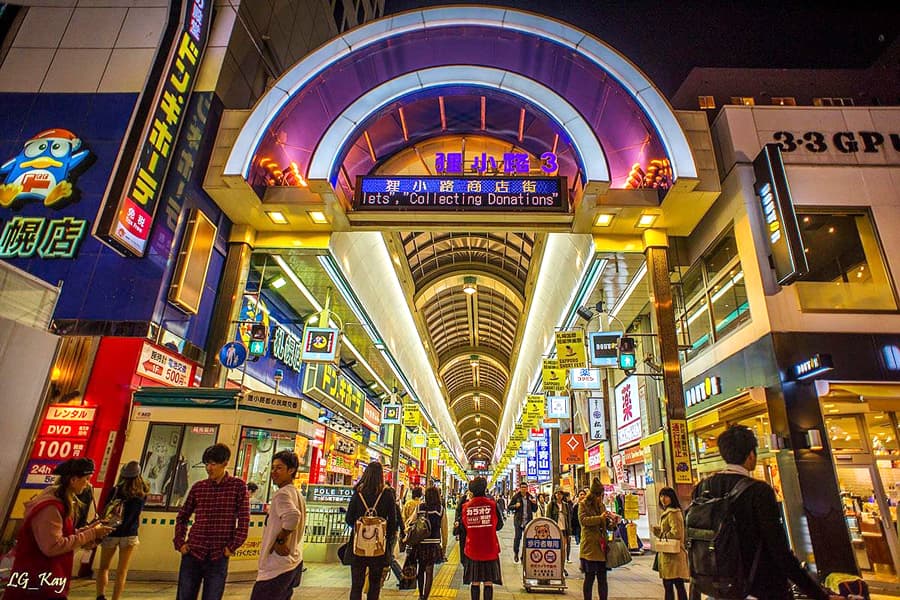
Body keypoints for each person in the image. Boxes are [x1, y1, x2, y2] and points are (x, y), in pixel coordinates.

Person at [691, 425, 840, 600]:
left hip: (717, 588)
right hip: (760, 588)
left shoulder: (702, 488)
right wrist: (819, 594)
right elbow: (779, 550)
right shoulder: (758, 491)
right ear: (751, 455)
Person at [3, 458, 113, 600]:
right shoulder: (50, 507)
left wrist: (88, 531)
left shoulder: (61, 503)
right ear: (73, 480)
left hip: (48, 580)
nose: (88, 484)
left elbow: (61, 535)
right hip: (37, 582)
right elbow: (53, 546)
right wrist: (91, 533)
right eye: (86, 479)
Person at [173, 443, 250, 600]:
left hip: (218, 555)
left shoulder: (238, 487)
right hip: (193, 552)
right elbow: (182, 516)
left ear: (225, 463)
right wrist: (180, 542)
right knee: (184, 596)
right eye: (206, 464)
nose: (209, 468)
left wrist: (232, 546)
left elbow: (244, 520)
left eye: (213, 464)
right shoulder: (198, 487)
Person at [250, 450, 306, 600]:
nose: (274, 472)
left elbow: (293, 516)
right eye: (273, 468)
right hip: (291, 563)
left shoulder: (282, 494)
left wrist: (280, 540)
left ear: (291, 470)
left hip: (276, 567)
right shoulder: (296, 493)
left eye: (279, 468)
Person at [95, 461, 149, 600]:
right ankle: (116, 598)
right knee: (122, 571)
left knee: (104, 567)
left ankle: (100, 596)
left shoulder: (115, 490)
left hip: (111, 531)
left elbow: (106, 510)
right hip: (130, 534)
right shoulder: (142, 493)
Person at [345, 462, 398, 600]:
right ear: (381, 475)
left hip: (358, 547)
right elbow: (393, 522)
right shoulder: (386, 494)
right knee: (374, 585)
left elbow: (349, 518)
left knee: (356, 585)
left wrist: (362, 527)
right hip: (378, 546)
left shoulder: (358, 493)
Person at [461, 477, 503, 600]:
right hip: (490, 548)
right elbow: (499, 525)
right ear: (485, 489)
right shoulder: (492, 505)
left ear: (472, 491)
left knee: (475, 581)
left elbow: (463, 528)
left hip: (472, 549)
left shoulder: (466, 507)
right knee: (488, 581)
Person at [580, 478, 618, 600]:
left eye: (601, 495)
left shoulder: (601, 505)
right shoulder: (583, 504)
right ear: (593, 494)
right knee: (589, 577)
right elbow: (584, 521)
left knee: (603, 578)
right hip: (590, 546)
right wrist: (600, 518)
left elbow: (605, 523)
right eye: (598, 495)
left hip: (602, 547)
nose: (600, 498)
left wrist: (612, 522)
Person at [652, 487, 689, 600]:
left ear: (672, 498)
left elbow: (676, 533)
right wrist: (659, 531)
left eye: (666, 496)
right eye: (661, 496)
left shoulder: (673, 513)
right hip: (669, 555)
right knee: (677, 584)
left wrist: (662, 535)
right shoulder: (668, 512)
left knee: (670, 585)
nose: (663, 499)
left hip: (674, 556)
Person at [411, 486, 448, 600]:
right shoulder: (440, 509)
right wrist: (444, 547)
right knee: (429, 572)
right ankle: (425, 597)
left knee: (420, 569)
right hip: (434, 544)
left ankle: (420, 594)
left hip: (420, 543)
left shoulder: (419, 507)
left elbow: (411, 522)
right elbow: (444, 530)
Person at [508, 481, 537, 562]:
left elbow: (535, 510)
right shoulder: (516, 497)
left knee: (527, 539)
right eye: (522, 487)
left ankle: (523, 555)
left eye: (525, 487)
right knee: (518, 537)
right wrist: (515, 506)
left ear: (527, 488)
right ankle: (516, 553)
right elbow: (509, 507)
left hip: (528, 521)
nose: (524, 489)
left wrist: (535, 504)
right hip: (518, 521)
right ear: (520, 488)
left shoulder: (530, 497)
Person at [547, 489, 572, 570]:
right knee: (555, 549)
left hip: (564, 530)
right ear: (554, 495)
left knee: (563, 549)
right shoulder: (551, 505)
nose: (559, 495)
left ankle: (562, 567)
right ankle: (554, 566)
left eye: (561, 494)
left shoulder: (565, 505)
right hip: (555, 530)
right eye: (557, 494)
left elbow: (568, 519)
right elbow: (548, 518)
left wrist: (569, 532)